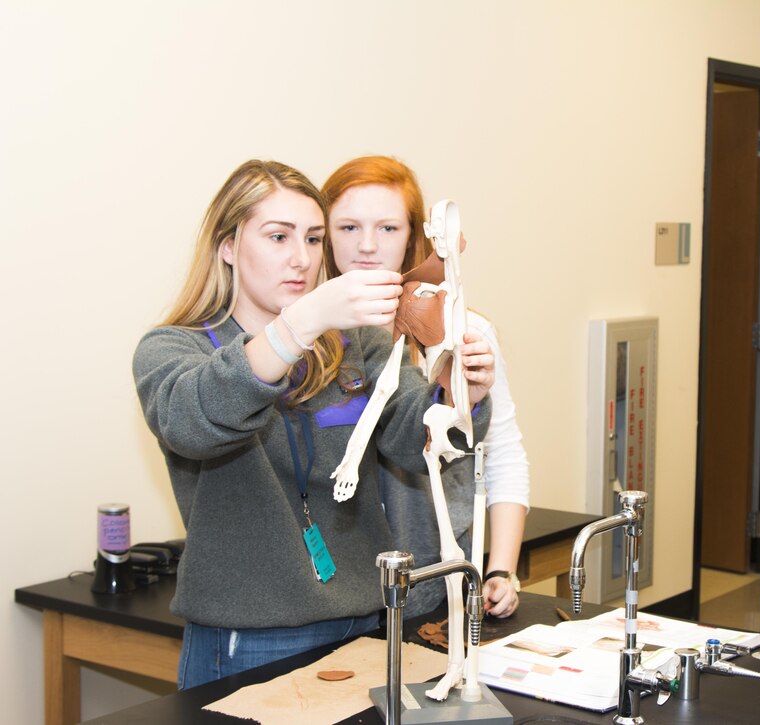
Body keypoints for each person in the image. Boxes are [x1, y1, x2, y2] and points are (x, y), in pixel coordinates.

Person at [132, 159, 495, 688]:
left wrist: (462, 395)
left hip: (366, 622)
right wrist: (299, 324)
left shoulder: (356, 345)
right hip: (252, 638)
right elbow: (194, 419)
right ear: (228, 246)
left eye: (313, 239)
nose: (301, 259)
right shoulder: (173, 349)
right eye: (278, 237)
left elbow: (416, 439)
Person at [322, 156, 530, 619]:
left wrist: (499, 571)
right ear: (324, 233)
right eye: (349, 227)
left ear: (415, 235)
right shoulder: (308, 338)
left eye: (388, 228)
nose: (368, 246)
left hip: (437, 584)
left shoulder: (459, 332)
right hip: (334, 593)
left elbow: (502, 454)